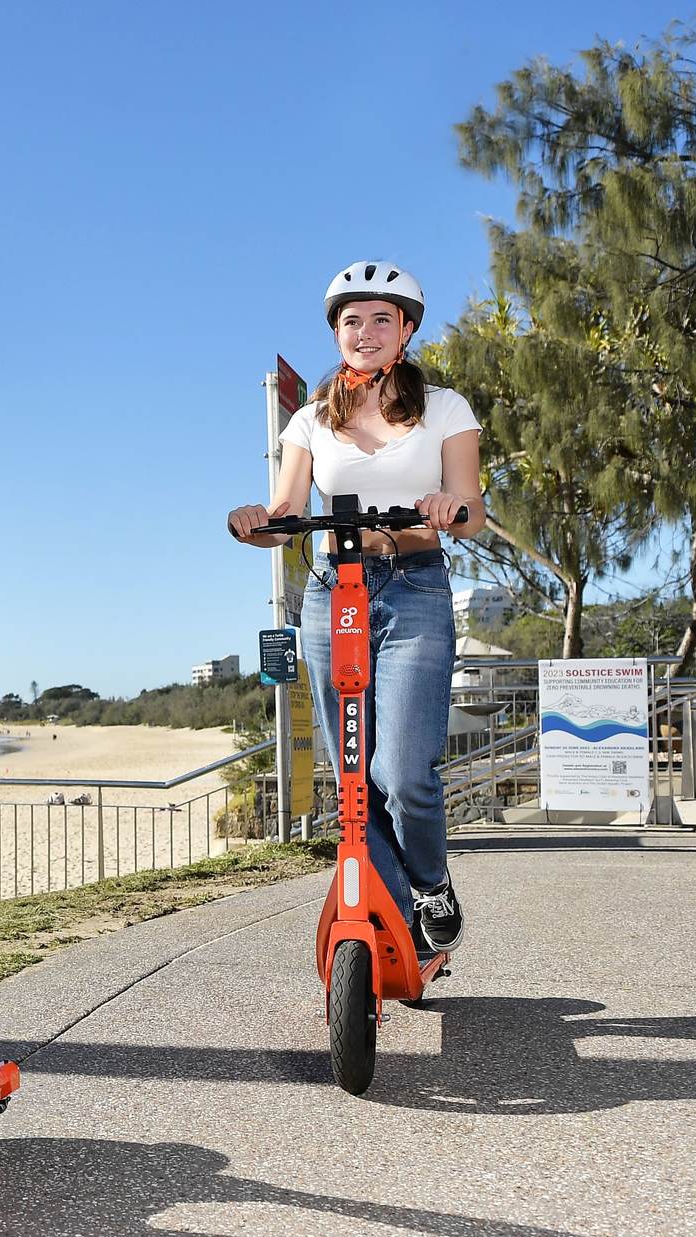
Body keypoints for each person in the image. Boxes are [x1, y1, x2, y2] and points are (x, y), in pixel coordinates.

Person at [227, 261, 485, 955]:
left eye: (379, 318)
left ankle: (429, 884)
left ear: (404, 330)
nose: (363, 331)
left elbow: (471, 509)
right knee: (350, 780)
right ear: (335, 333)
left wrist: (446, 506)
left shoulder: (446, 409)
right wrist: (252, 520)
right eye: (350, 320)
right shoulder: (311, 420)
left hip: (415, 585)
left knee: (399, 774)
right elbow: (285, 511)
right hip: (331, 591)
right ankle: (395, 914)